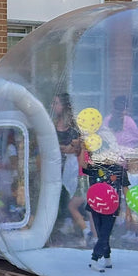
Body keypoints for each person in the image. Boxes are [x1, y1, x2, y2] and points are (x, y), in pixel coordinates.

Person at [82, 143, 129, 271]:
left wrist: (129, 208)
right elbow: (83, 165)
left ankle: (94, 259)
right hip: (95, 206)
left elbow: (125, 188)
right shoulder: (94, 167)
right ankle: (107, 259)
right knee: (102, 234)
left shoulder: (120, 169)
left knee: (104, 234)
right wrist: (83, 149)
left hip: (111, 207)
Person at [51, 93, 90, 246]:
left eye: (56, 103)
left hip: (73, 166)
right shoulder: (53, 123)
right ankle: (75, 226)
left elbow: (75, 148)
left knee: (75, 198)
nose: (54, 106)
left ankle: (83, 229)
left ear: (64, 106)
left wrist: (61, 148)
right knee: (65, 194)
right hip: (58, 165)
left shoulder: (74, 126)